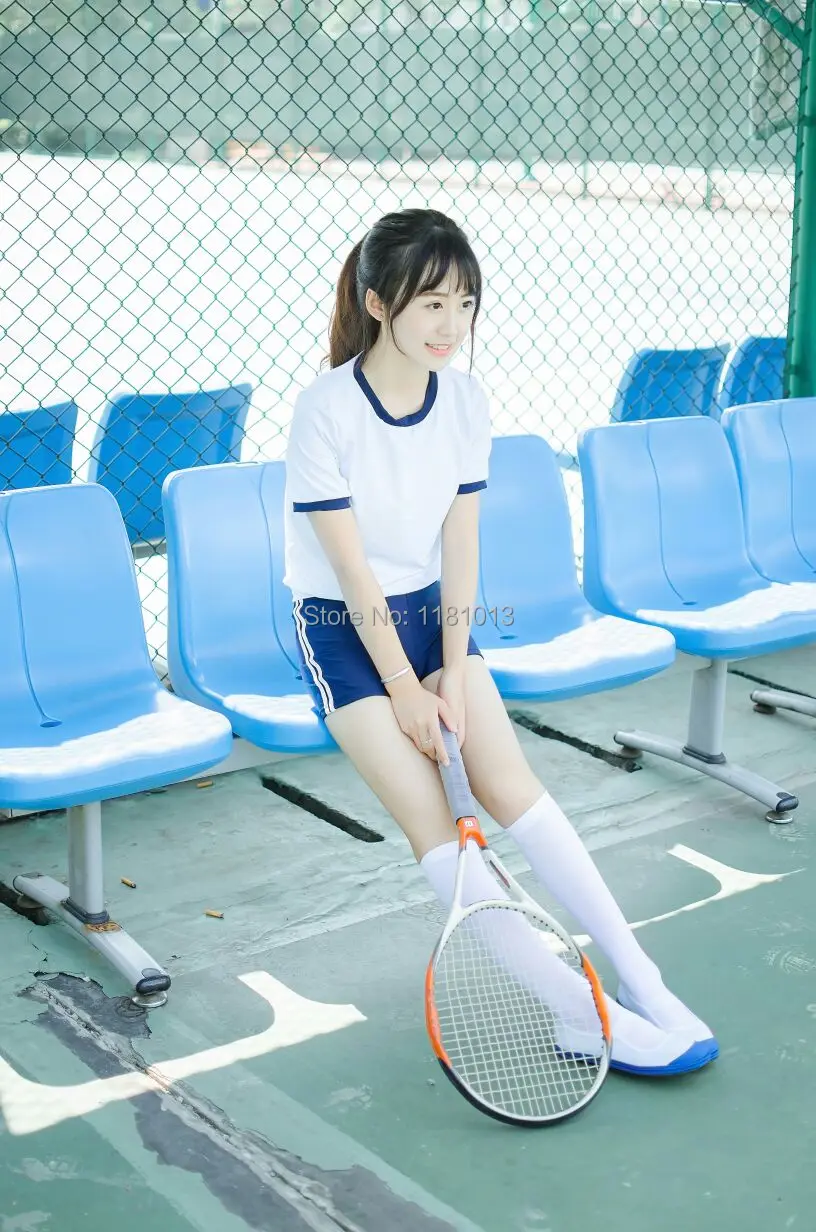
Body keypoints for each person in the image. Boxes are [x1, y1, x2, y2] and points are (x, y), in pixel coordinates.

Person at [282, 207, 718, 1076]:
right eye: (431, 303)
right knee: (439, 829)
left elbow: (461, 544)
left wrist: (451, 669)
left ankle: (643, 980)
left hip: (432, 618)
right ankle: (582, 1012)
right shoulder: (324, 409)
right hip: (343, 631)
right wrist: (404, 690)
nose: (452, 325)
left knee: (515, 791)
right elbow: (351, 571)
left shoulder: (465, 401)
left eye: (465, 303)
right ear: (378, 303)